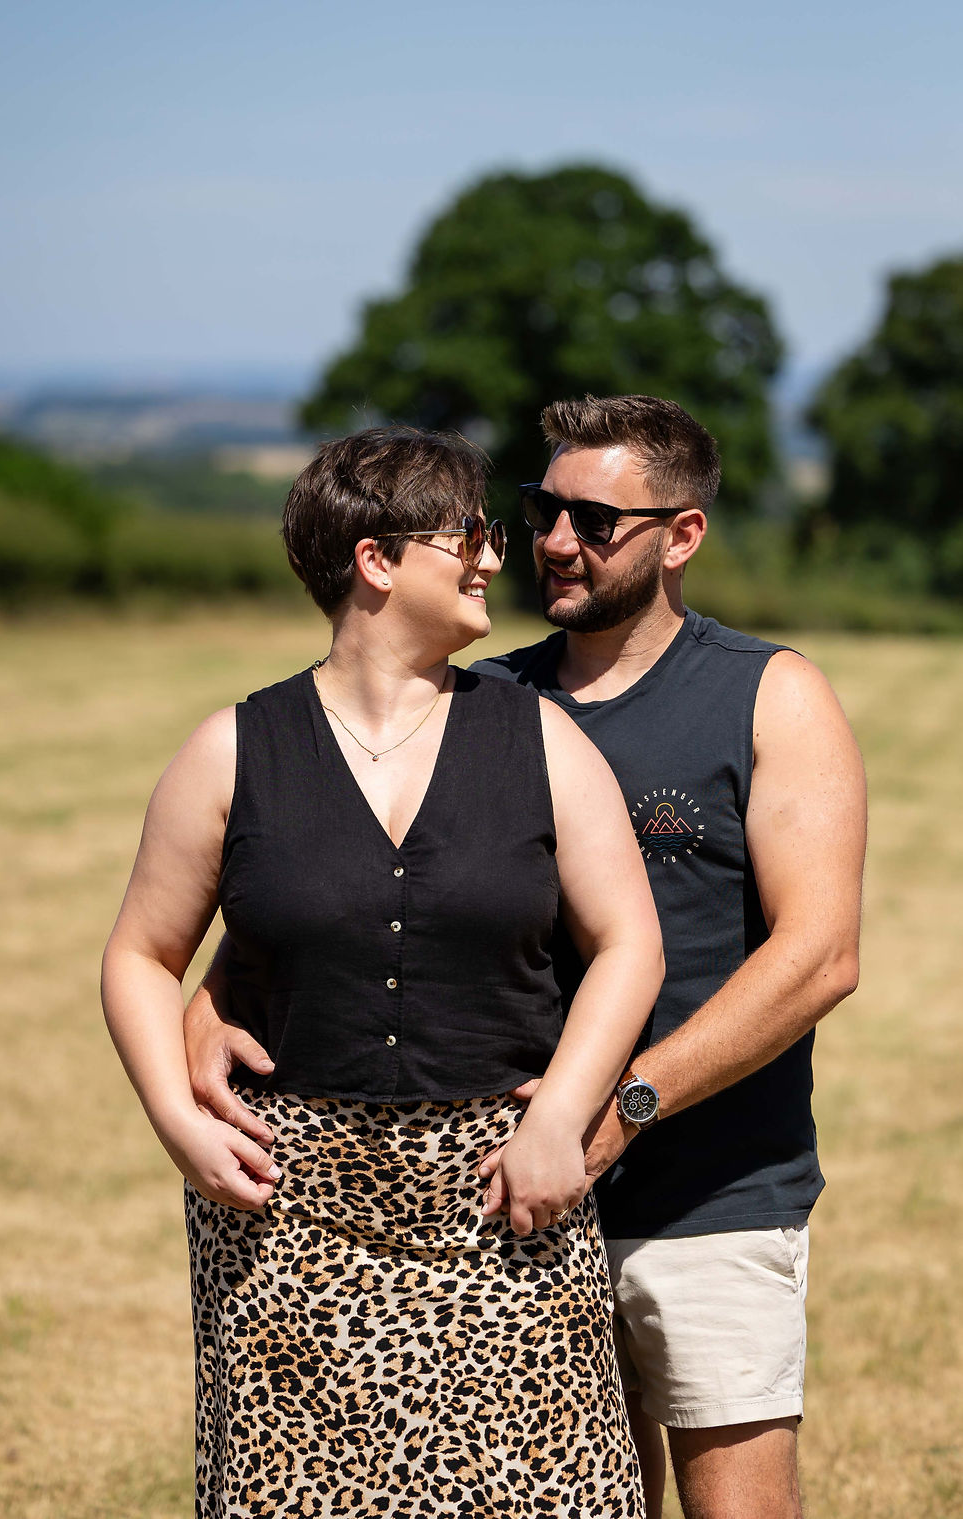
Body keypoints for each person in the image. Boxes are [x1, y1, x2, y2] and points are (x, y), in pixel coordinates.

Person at [186, 396, 867, 1519]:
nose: (553, 540)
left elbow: (818, 957)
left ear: (680, 535)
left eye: (594, 520)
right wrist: (207, 1005)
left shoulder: (765, 693)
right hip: (500, 1214)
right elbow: (325, 898)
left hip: (705, 1187)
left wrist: (617, 1109)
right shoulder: (484, 698)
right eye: (541, 509)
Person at [101, 424, 663, 1519]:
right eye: (469, 535)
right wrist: (175, 1118)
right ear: (376, 559)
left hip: (501, 1202)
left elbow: (629, 943)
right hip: (285, 1221)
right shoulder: (233, 748)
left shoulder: (541, 742)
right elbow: (139, 953)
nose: (494, 557)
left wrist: (559, 1116)